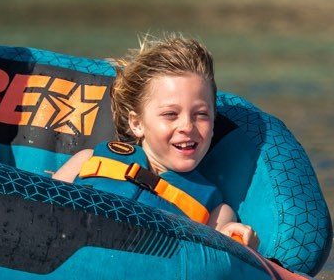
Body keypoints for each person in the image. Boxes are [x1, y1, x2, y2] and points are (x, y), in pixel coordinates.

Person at [53, 33, 257, 247]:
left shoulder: (217, 214)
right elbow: (37, 211)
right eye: (170, 114)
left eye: (201, 114)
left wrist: (238, 247)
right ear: (137, 123)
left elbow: (215, 268)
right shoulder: (86, 161)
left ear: (214, 122)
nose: (187, 126)